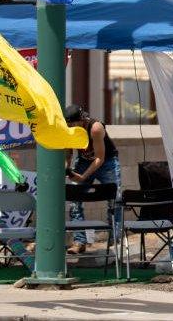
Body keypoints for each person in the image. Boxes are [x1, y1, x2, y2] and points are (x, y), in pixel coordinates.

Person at [64, 104, 121, 255]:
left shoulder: (95, 128)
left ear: (82, 120)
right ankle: (79, 241)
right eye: (68, 125)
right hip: (83, 161)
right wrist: (67, 169)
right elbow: (68, 152)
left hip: (106, 161)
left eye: (73, 124)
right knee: (75, 199)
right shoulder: (68, 128)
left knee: (115, 200)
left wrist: (83, 177)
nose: (71, 127)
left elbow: (99, 158)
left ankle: (115, 241)